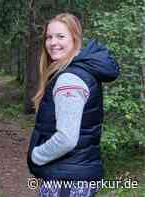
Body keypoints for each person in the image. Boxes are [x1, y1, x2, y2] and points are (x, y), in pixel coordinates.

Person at [27, 13, 119, 196]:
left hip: (67, 182)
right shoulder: (78, 71)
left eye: (61, 36)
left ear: (75, 39)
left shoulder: (69, 78)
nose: (53, 43)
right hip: (74, 176)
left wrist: (37, 156)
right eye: (49, 37)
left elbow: (66, 139)